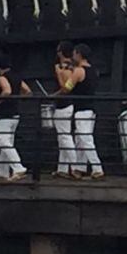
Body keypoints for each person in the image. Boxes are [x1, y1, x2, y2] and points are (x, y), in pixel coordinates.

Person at [68, 44, 104, 179]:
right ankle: (80, 167)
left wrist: (58, 92)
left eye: (74, 53)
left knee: (85, 138)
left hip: (81, 108)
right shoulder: (94, 70)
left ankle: (97, 167)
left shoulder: (78, 71)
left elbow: (68, 87)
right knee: (80, 138)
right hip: (91, 108)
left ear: (78, 54)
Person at [0, 55, 30, 181]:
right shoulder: (17, 76)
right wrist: (17, 99)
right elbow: (27, 90)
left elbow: (7, 90)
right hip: (15, 113)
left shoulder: (2, 77)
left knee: (3, 141)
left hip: (4, 114)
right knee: (8, 142)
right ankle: (2, 171)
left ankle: (18, 167)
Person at [52, 41, 78, 179]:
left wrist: (59, 73)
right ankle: (62, 168)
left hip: (64, 104)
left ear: (61, 53)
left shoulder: (64, 68)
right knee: (63, 137)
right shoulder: (74, 66)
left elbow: (66, 88)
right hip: (68, 104)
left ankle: (75, 166)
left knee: (65, 136)